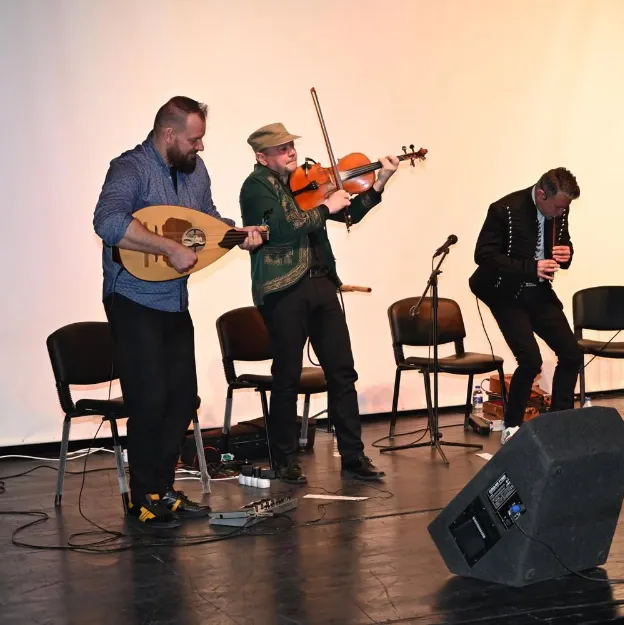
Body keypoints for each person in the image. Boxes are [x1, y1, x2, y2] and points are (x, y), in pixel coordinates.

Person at [93, 96, 263, 528]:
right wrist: (167, 246)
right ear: (168, 135)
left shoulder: (195, 172)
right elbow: (108, 221)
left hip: (174, 302)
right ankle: (143, 497)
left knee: (182, 397)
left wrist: (237, 234)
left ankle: (163, 490)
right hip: (132, 300)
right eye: (195, 139)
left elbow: (205, 221)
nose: (200, 148)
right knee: (148, 400)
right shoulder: (129, 168)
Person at [239, 123, 397, 483]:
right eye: (281, 149)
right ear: (261, 157)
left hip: (322, 282)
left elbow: (350, 213)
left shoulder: (308, 183)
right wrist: (325, 206)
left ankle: (353, 456)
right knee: (287, 376)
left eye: (290, 146)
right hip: (284, 288)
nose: (290, 152)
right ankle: (284, 460)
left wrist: (380, 181)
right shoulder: (256, 188)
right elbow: (278, 229)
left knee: (343, 371)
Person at [470, 168, 584, 444]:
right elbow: (482, 255)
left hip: (537, 291)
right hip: (504, 292)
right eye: (556, 207)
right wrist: (530, 268)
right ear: (542, 194)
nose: (560, 213)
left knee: (571, 354)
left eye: (564, 209)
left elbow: (561, 244)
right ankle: (512, 427)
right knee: (530, 359)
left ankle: (559, 424)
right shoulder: (504, 209)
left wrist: (566, 253)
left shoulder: (559, 209)